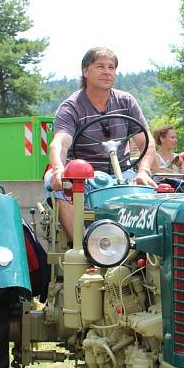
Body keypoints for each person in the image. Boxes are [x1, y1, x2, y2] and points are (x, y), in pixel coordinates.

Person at [46, 47, 158, 240]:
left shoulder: (126, 101)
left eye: (111, 67)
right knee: (58, 185)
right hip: (85, 175)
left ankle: (143, 252)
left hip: (123, 172)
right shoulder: (71, 107)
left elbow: (146, 142)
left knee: (155, 189)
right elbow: (60, 143)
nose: (107, 72)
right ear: (85, 71)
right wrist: (58, 169)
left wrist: (144, 171)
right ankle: (83, 250)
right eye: (100, 66)